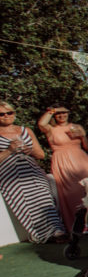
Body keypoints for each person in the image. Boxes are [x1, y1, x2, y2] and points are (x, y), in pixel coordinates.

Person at [0, 101, 67, 243]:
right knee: (25, 200)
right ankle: (42, 234)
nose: (6, 116)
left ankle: (57, 230)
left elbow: (41, 154)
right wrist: (9, 150)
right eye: (1, 114)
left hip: (31, 170)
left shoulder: (26, 130)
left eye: (9, 113)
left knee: (44, 197)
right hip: (9, 174)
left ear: (14, 114)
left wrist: (29, 150)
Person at [38, 105, 88, 231]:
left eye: (64, 113)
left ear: (68, 113)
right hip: (63, 162)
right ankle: (76, 227)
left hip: (81, 160)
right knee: (71, 194)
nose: (62, 115)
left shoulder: (76, 126)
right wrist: (52, 111)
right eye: (58, 114)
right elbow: (41, 123)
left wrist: (83, 136)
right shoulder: (51, 129)